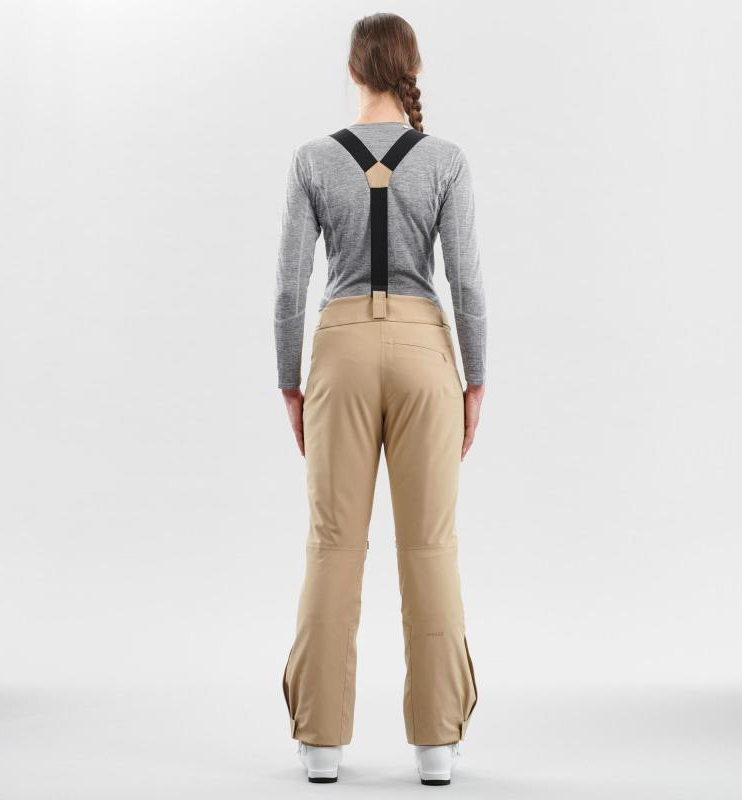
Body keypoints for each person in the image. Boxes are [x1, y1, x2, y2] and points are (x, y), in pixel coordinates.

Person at [273, 12, 486, 786]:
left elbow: (289, 288)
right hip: (428, 357)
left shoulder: (311, 160)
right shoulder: (447, 161)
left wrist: (290, 382)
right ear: (412, 71)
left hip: (339, 355)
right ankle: (436, 747)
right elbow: (466, 283)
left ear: (353, 70)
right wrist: (475, 380)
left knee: (334, 545)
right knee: (429, 547)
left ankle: (321, 743)